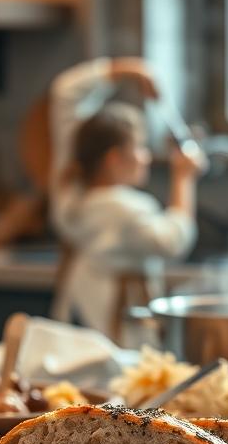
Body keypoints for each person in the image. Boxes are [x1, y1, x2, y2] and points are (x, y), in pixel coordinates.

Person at [47, 57, 204, 338]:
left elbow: (65, 94)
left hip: (79, 316)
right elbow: (174, 240)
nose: (146, 157)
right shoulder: (123, 210)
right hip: (119, 331)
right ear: (114, 159)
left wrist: (125, 70)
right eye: (140, 147)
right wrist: (183, 178)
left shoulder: (71, 192)